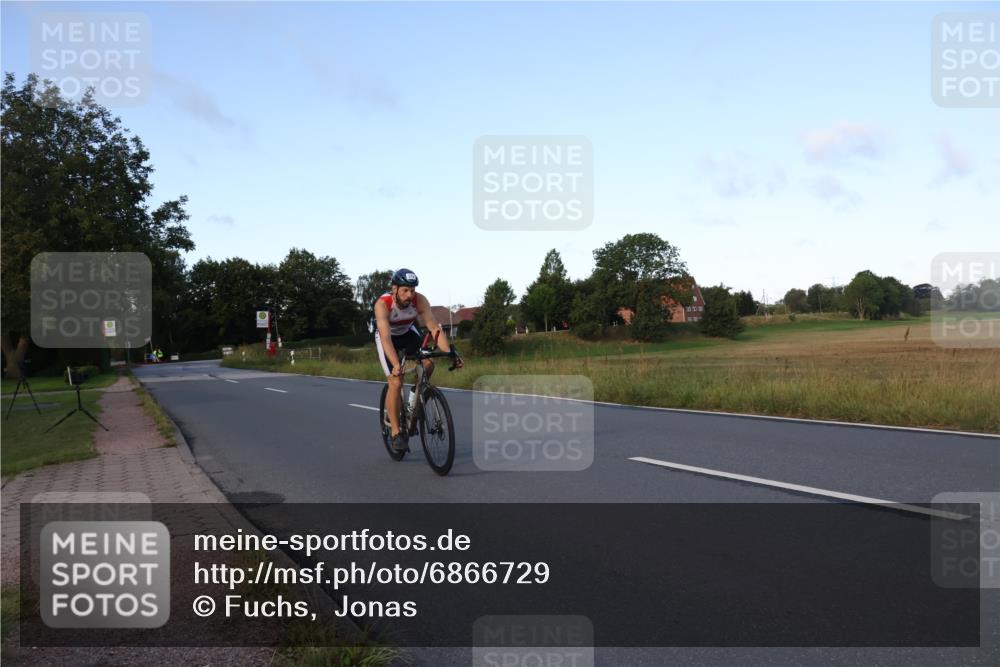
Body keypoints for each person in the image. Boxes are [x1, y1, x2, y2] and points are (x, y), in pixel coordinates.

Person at [374, 268, 463, 452]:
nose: (410, 295)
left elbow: (434, 328)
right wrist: (396, 364)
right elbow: (385, 339)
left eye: (412, 290)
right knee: (396, 381)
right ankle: (396, 433)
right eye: (405, 290)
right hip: (387, 338)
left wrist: (450, 353)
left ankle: (414, 402)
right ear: (394, 289)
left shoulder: (419, 300)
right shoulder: (383, 304)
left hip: (408, 333)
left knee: (428, 363)